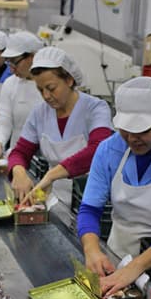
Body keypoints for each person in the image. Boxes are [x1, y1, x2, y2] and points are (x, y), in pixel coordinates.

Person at [77, 77, 151, 298]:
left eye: (143, 130)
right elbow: (89, 209)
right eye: (126, 129)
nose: (133, 138)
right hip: (116, 252)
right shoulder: (109, 149)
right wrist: (92, 250)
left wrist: (136, 267)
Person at [8, 47, 114, 206]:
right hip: (56, 201)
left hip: (92, 200)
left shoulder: (95, 108)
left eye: (51, 88)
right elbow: (20, 152)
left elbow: (99, 149)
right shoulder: (39, 114)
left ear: (69, 80)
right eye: (40, 90)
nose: (46, 96)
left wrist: (52, 175)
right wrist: (18, 171)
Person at [0, 31, 45, 162]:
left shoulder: (51, 86)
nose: (11, 69)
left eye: (15, 62)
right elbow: (4, 120)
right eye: (9, 63)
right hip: (17, 157)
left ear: (33, 56)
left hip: (46, 160)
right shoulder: (10, 84)